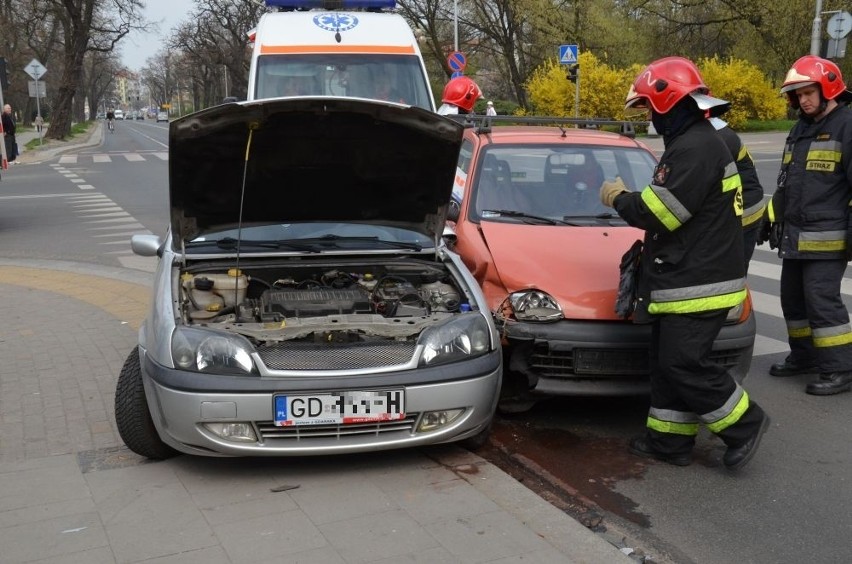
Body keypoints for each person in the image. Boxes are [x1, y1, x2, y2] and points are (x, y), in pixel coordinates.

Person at [599, 56, 769, 471]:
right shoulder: (694, 142)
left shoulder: (694, 147)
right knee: (666, 364)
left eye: (648, 108)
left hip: (698, 282)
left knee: (682, 363)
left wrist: (618, 198)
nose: (647, 118)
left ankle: (746, 424)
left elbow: (660, 213)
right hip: (687, 277)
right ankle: (669, 442)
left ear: (668, 103)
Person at [760, 55, 852, 396]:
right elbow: (786, 183)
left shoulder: (847, 125)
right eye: (798, 95)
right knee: (793, 301)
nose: (804, 100)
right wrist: (770, 217)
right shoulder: (801, 128)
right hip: (796, 235)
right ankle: (804, 357)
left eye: (809, 92)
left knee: (821, 301)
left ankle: (840, 368)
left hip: (828, 239)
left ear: (829, 88)